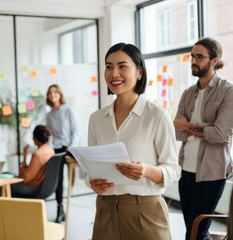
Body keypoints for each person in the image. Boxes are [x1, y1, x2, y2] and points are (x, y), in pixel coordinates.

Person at [86, 43, 181, 240]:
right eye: (109, 66)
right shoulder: (96, 119)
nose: (114, 74)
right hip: (105, 210)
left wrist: (145, 171)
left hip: (145, 212)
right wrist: (92, 182)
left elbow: (173, 170)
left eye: (122, 66)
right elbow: (90, 169)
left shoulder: (157, 116)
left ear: (139, 72)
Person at [174, 37, 233, 240]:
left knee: (196, 232)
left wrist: (190, 126)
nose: (193, 60)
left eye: (199, 56)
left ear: (214, 60)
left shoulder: (228, 90)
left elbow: (220, 134)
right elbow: (177, 131)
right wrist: (208, 131)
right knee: (194, 232)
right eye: (192, 56)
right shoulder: (187, 93)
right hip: (186, 172)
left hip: (212, 174)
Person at [46, 84, 79, 223]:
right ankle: (60, 208)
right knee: (57, 180)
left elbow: (76, 130)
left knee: (74, 177)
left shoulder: (68, 111)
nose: (53, 95)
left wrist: (72, 146)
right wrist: (50, 148)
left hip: (69, 148)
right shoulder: (49, 115)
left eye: (55, 92)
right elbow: (49, 135)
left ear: (60, 94)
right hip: (56, 150)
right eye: (50, 93)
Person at [11, 125, 55, 197]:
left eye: (33, 136)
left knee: (5, 187)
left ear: (35, 138)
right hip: (46, 188)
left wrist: (24, 156)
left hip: (34, 188)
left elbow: (25, 179)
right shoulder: (50, 150)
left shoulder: (37, 155)